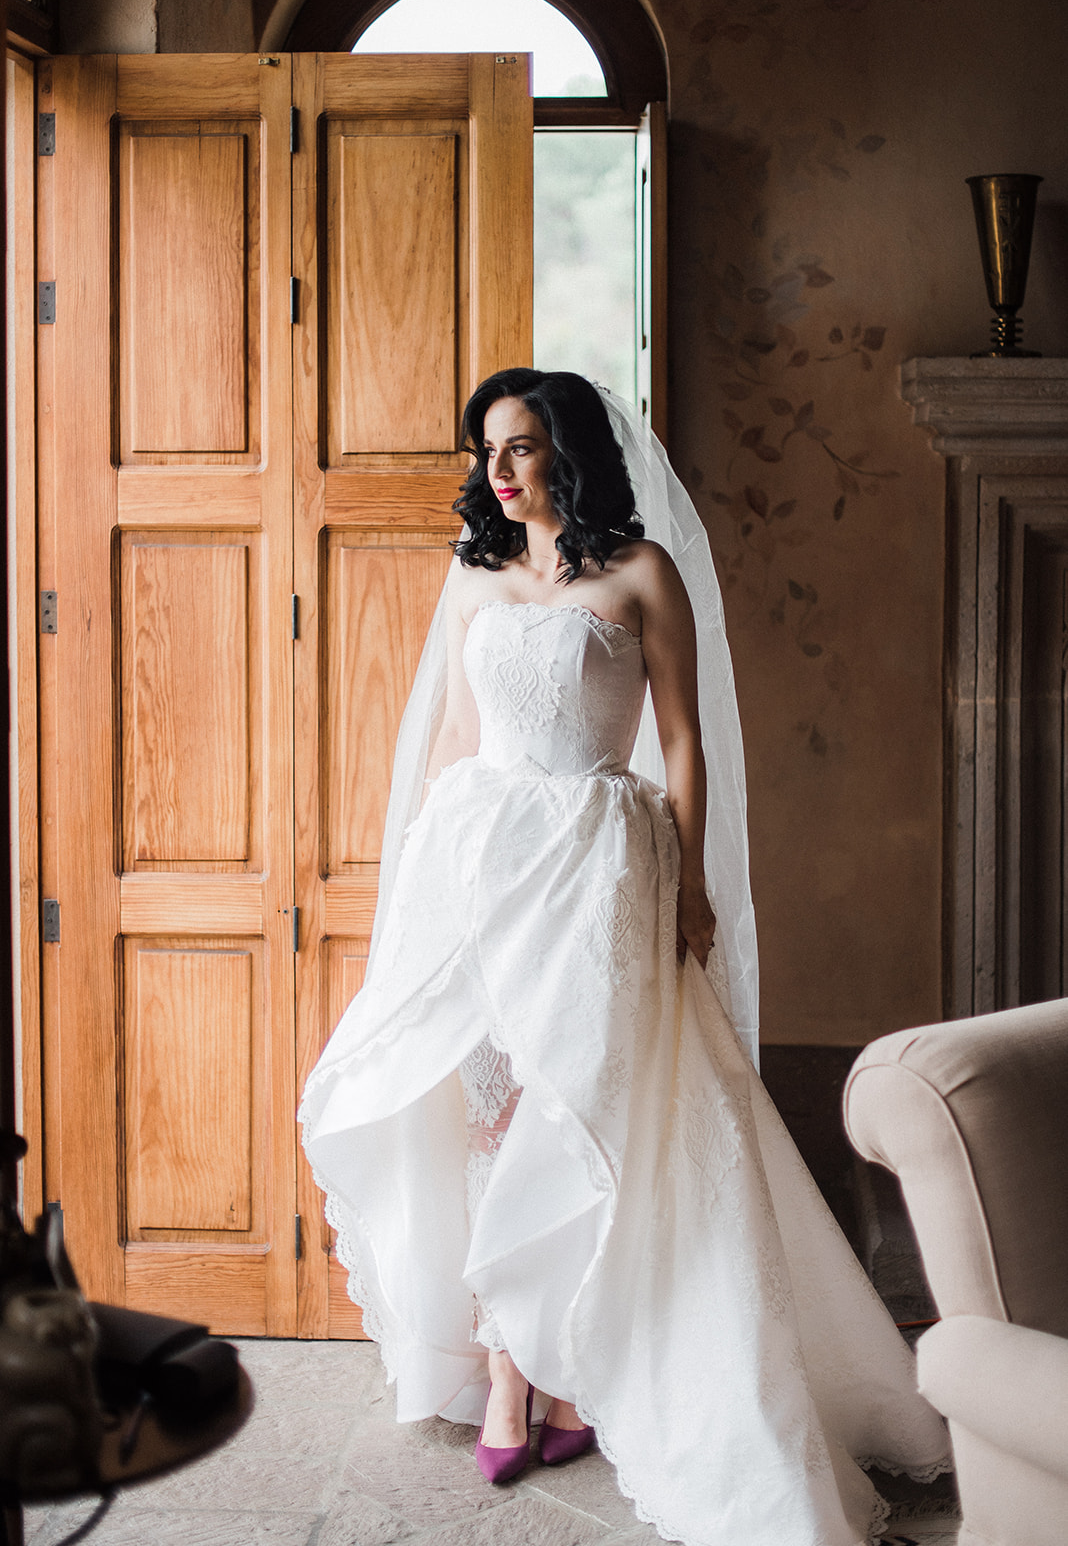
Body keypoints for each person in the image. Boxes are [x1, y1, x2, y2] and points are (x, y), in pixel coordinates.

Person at [299, 369, 949, 1546]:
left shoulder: (641, 574)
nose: (501, 470)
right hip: (481, 861)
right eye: (489, 448)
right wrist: (418, 893)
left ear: (573, 455)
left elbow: (687, 740)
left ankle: (569, 1373)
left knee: (581, 1104)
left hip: (600, 865)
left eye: (525, 447)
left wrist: (692, 882)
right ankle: (513, 1372)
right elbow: (454, 736)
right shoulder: (474, 575)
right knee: (493, 1113)